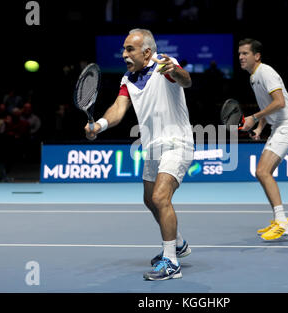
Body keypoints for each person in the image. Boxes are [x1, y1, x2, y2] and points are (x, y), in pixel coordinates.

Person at [84, 28, 194, 281]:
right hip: (152, 146)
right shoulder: (128, 79)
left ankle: (171, 263)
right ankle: (178, 243)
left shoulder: (163, 64)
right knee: (148, 199)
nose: (124, 54)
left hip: (177, 143)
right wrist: (99, 125)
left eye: (129, 49)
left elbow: (186, 80)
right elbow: (118, 109)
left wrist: (174, 71)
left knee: (160, 197)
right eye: (124, 49)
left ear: (147, 52)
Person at [238, 38, 288, 241]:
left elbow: (279, 102)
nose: (241, 57)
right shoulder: (253, 77)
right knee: (264, 173)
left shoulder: (265, 72)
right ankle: (280, 220)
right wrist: (259, 128)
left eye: (245, 54)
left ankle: (283, 221)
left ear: (256, 56)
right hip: (279, 126)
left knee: (262, 171)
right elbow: (269, 106)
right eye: (239, 54)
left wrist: (254, 117)